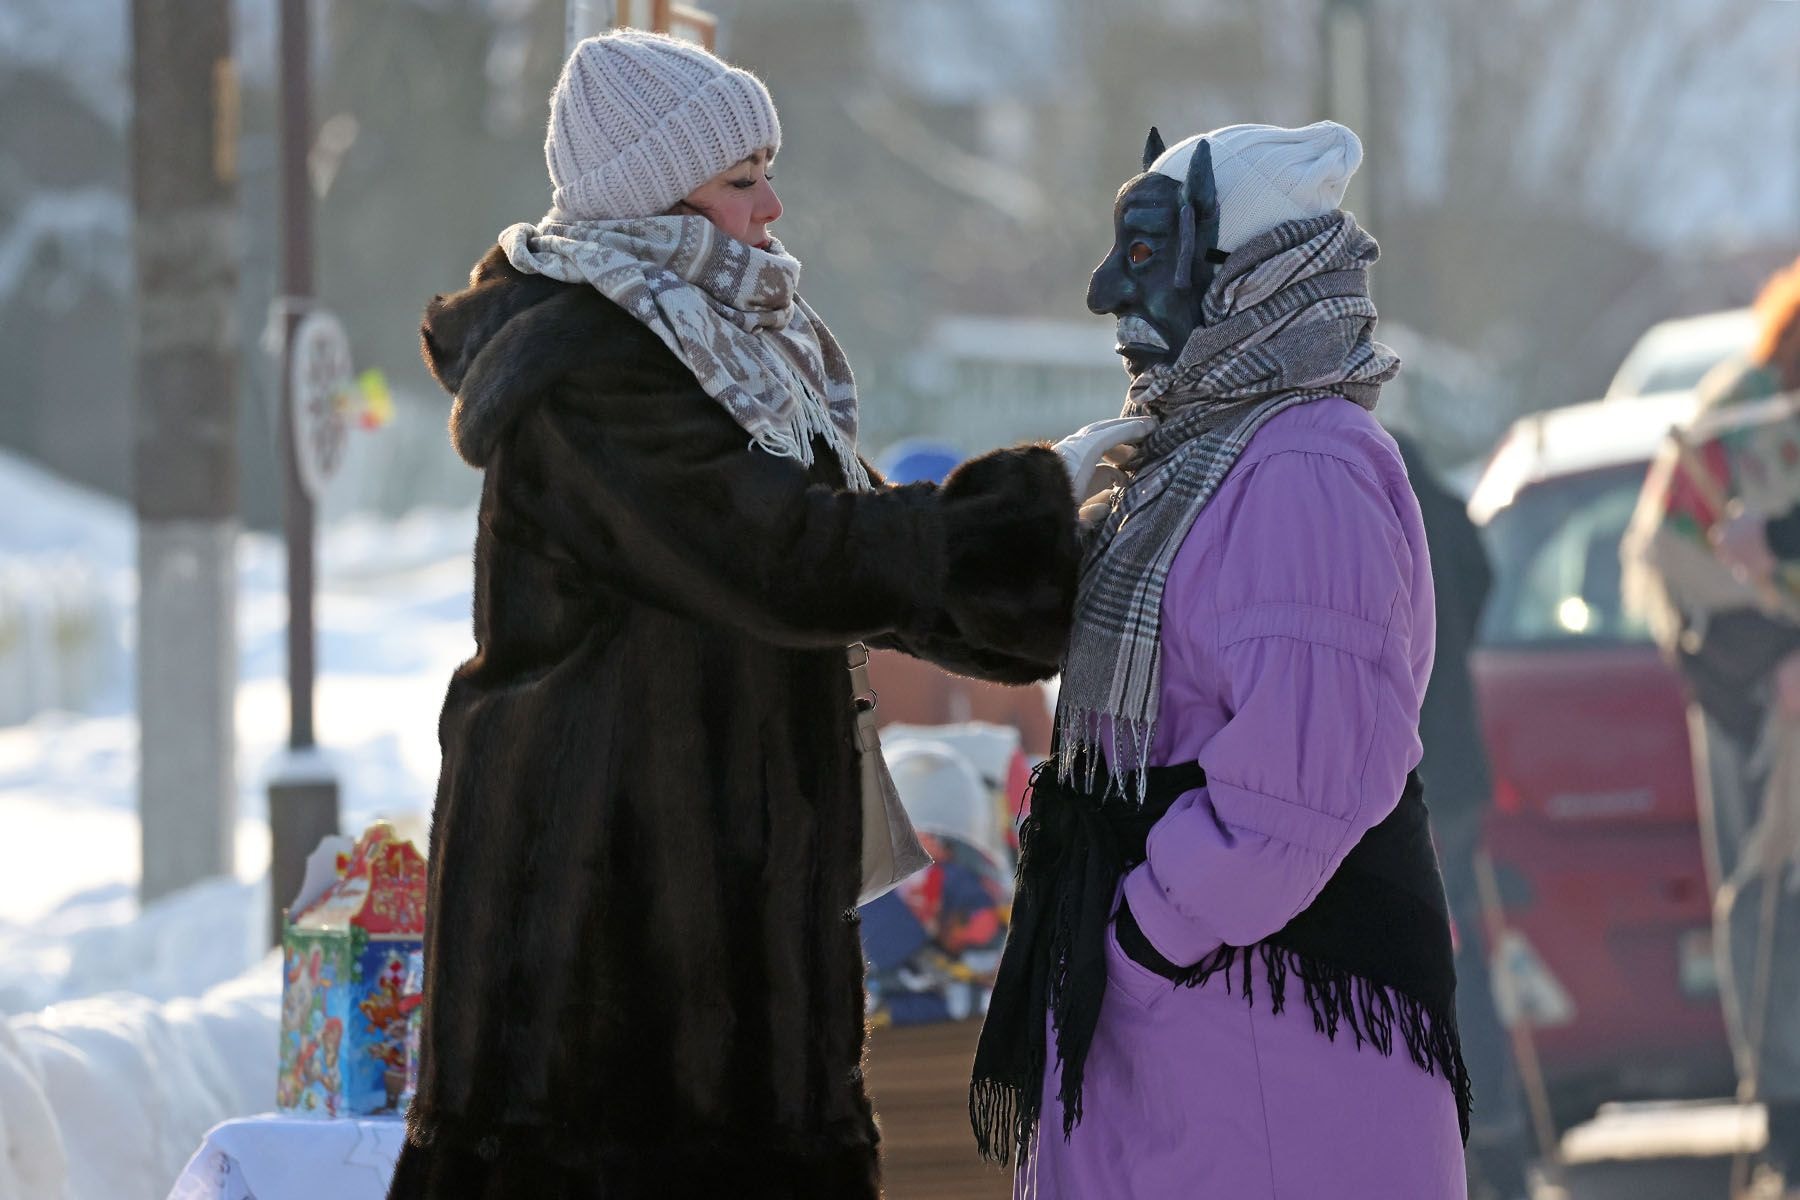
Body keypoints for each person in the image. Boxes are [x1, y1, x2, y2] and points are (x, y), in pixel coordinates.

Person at [388, 32, 1144, 1200]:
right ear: (652, 194)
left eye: (766, 174)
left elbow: (851, 544)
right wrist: (1020, 512)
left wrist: (1055, 553)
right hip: (602, 942)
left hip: (720, 915)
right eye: (741, 180)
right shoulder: (588, 367)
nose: (772, 208)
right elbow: (783, 555)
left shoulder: (724, 352)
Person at [971, 121, 1469, 1198]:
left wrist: (1149, 940)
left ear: (1252, 276)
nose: (1107, 291)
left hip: (1263, 1045)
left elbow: (1300, 784)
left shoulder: (1303, 469)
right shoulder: (1201, 457)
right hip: (1199, 1037)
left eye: (1147, 254)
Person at [1641, 254, 1800, 1192]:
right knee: (1762, 898)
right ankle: (1783, 1113)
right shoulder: (1737, 417)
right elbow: (1668, 555)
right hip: (1752, 703)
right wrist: (1771, 649)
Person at [1394, 431, 1532, 1200]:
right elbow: (1480, 580)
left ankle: (1462, 1146)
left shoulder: (1351, 490)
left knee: (1428, 960)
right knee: (1467, 952)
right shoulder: (1430, 487)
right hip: (1453, 766)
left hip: (1407, 775)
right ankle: (1499, 1138)